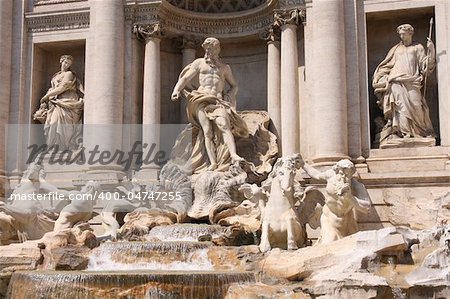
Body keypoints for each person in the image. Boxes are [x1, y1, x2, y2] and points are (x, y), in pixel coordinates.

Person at [171, 37, 248, 172]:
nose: (210, 51)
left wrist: (229, 96)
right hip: (200, 98)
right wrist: (176, 90)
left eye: (213, 48)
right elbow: (185, 78)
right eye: (208, 48)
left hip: (218, 101)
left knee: (224, 126)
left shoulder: (224, 68)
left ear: (218, 49)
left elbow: (234, 85)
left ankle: (234, 155)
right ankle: (212, 163)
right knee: (207, 131)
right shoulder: (199, 63)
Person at [372, 24, 435, 143]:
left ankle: (420, 132)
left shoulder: (418, 47)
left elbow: (425, 67)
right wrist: (380, 76)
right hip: (395, 80)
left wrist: (431, 50)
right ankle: (404, 133)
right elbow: (386, 65)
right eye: (400, 34)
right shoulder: (395, 49)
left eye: (403, 33)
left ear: (410, 33)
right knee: (399, 107)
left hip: (412, 81)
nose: (401, 36)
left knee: (417, 105)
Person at [299, 157, 371, 244]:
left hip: (347, 223)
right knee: (329, 243)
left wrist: (350, 197)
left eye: (347, 175)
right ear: (336, 171)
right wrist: (303, 164)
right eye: (341, 173)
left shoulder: (356, 186)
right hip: (328, 219)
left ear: (352, 174)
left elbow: (367, 208)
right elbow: (316, 174)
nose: (343, 177)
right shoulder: (330, 175)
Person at [34, 55, 84, 150]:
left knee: (60, 124)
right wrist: (48, 95)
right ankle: (53, 148)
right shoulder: (56, 76)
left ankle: (63, 148)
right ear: (61, 61)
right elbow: (53, 88)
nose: (66, 65)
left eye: (68, 64)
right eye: (65, 62)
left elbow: (62, 87)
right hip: (55, 102)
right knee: (52, 123)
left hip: (67, 101)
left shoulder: (69, 74)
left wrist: (47, 96)